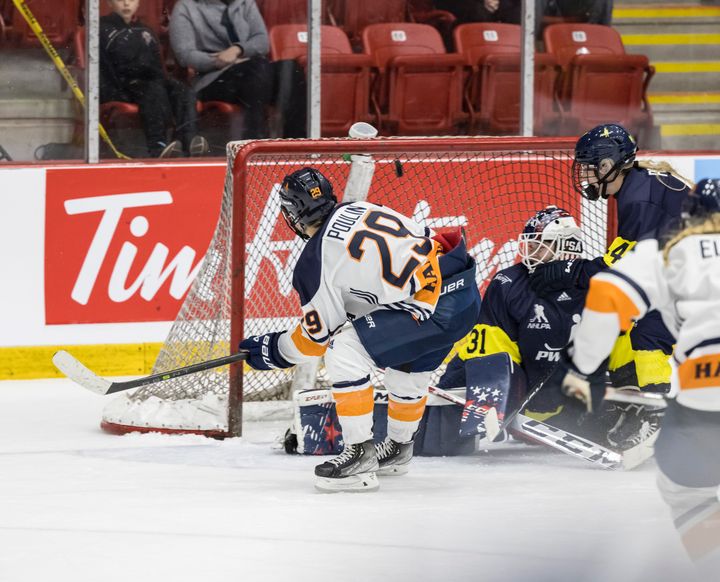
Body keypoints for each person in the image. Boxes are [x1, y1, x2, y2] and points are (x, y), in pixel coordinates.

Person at [238, 167, 481, 492]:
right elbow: (417, 244)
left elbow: (315, 341)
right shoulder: (359, 208)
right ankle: (398, 449)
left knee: (343, 350)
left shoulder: (314, 262)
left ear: (292, 213)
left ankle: (359, 456)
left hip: (432, 308)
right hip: (463, 292)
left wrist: (273, 351)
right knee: (407, 365)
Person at [551, 179, 720, 567]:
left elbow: (608, 295)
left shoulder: (666, 250)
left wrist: (583, 367)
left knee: (686, 491)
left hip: (706, 385)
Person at [438, 205, 641, 446]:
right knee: (464, 376)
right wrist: (484, 398)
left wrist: (632, 395)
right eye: (530, 244)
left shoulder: (600, 287)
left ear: (564, 247)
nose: (529, 250)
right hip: (521, 402)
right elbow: (489, 346)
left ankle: (636, 414)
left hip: (569, 405)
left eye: (537, 245)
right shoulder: (508, 283)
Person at [543, 124, 691, 401]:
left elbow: (619, 269)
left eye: (589, 166)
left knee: (650, 328)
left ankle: (652, 412)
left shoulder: (638, 199)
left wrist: (568, 271)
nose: (584, 174)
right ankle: (633, 399)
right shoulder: (639, 183)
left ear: (608, 164)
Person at [169, 0, 306, 140]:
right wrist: (219, 61)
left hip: (254, 70)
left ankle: (296, 144)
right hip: (212, 78)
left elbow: (262, 42)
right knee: (256, 69)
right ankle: (253, 143)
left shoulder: (245, 3)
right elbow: (185, 55)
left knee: (291, 69)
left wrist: (238, 50)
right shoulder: (186, 7)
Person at [99, 0, 208, 158]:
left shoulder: (146, 29)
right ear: (109, 3)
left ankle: (188, 140)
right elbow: (104, 67)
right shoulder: (101, 28)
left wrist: (165, 83)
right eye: (120, 0)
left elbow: (158, 66)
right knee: (154, 90)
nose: (126, 4)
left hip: (154, 81)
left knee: (183, 91)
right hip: (125, 85)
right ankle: (158, 146)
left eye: (131, 0)